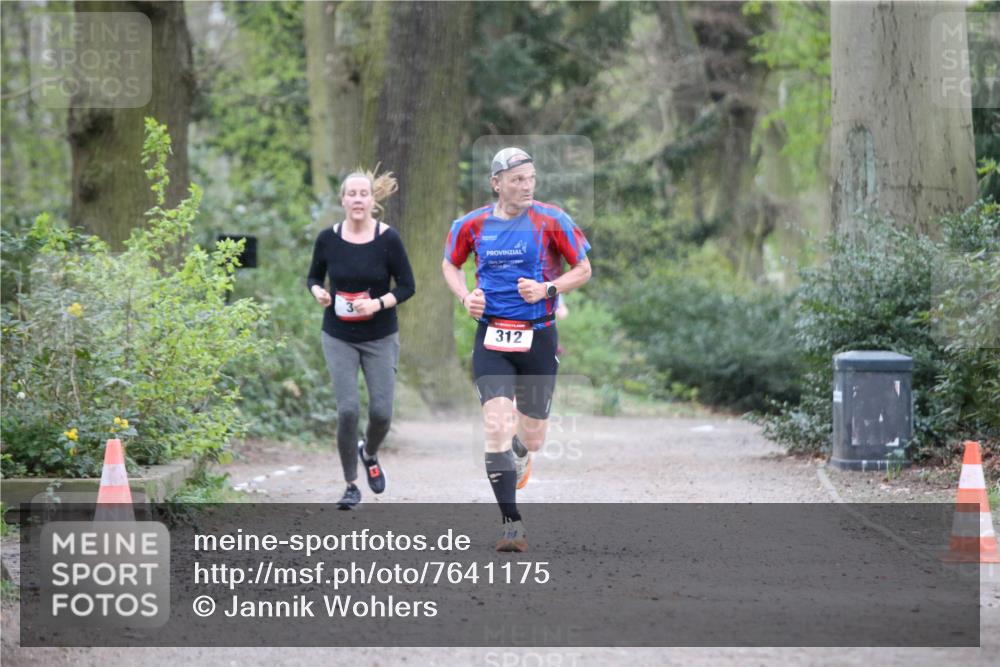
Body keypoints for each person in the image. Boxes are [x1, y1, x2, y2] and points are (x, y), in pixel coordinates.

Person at [441, 147, 592, 551]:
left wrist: (548, 288)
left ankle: (522, 451)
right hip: (492, 337)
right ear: (497, 183)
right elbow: (450, 264)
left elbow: (583, 269)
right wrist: (464, 296)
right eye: (517, 180)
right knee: (495, 427)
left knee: (533, 437)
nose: (527, 186)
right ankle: (512, 525)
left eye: (530, 178)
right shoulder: (470, 225)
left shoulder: (552, 219)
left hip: (538, 336)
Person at [307, 168, 415, 509]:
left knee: (382, 413)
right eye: (351, 194)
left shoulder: (388, 239)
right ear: (343, 200)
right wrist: (318, 293)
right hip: (338, 334)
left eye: (363, 194)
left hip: (380, 335)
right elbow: (313, 277)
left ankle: (368, 452)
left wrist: (378, 303)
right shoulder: (328, 238)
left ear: (372, 199)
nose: (357, 199)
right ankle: (351, 485)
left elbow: (408, 286)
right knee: (348, 411)